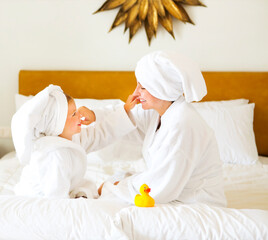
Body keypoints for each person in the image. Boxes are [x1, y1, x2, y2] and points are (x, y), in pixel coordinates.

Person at [97, 51, 227, 207]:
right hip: (174, 192)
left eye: (142, 87)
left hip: (195, 204)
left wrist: (113, 188)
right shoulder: (159, 112)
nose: (135, 93)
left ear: (161, 89)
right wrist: (92, 115)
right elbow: (122, 118)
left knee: (111, 203)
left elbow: (161, 186)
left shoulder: (182, 124)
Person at [12, 85, 136, 198]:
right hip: (42, 202)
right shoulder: (55, 155)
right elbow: (56, 200)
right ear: (57, 124)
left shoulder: (69, 138)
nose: (80, 117)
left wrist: (125, 110)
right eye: (73, 114)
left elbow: (99, 134)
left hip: (62, 193)